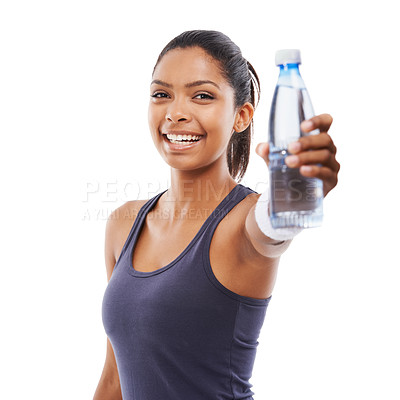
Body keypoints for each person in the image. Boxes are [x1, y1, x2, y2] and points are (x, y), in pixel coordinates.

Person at [93, 30, 340, 400]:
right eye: (162, 94)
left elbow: (272, 226)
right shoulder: (124, 224)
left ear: (241, 116)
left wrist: (301, 187)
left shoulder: (242, 223)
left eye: (202, 96)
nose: (175, 112)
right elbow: (114, 379)